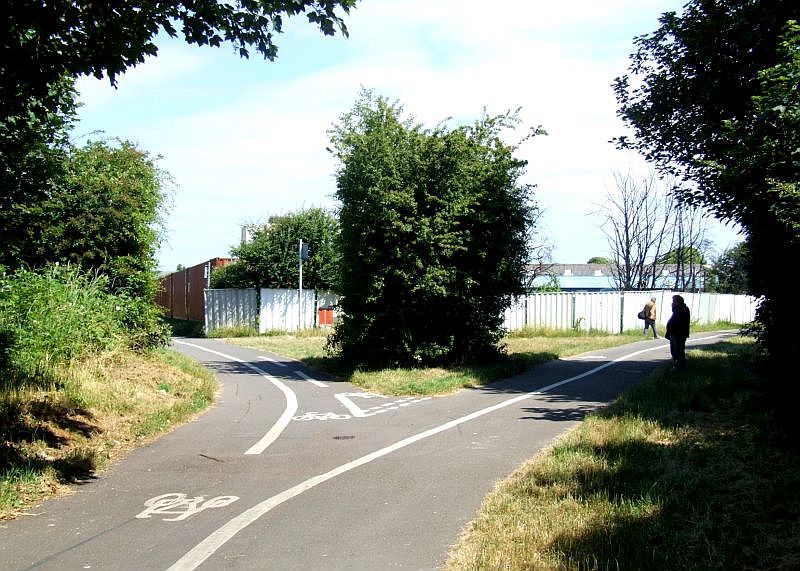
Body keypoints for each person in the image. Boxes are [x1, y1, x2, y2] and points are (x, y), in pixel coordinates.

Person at [665, 294, 691, 370]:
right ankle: (677, 365)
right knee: (676, 350)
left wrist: (671, 329)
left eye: (673, 301)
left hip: (678, 333)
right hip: (676, 333)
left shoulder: (681, 309)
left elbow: (676, 322)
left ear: (677, 302)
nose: (672, 303)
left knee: (678, 351)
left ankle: (679, 366)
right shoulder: (680, 309)